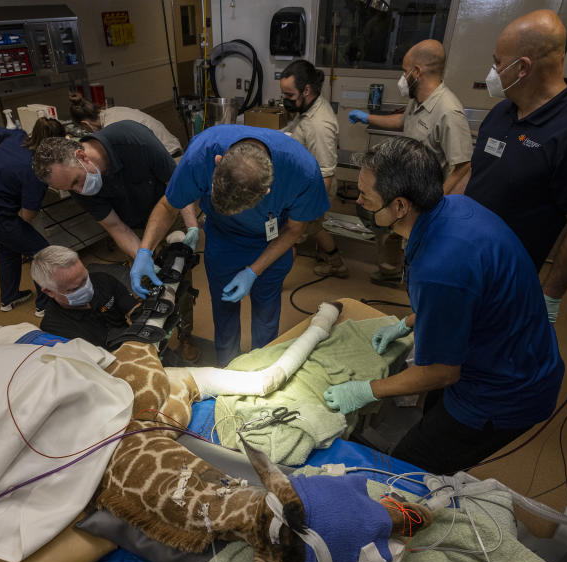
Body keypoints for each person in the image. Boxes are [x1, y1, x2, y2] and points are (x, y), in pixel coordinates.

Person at [322, 138, 564, 474]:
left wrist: (365, 390)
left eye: (366, 197)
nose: (359, 201)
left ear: (400, 206)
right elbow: (468, 298)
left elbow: (442, 372)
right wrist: (408, 322)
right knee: (432, 416)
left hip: (505, 391)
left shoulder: (440, 267)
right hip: (516, 351)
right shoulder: (455, 208)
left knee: (408, 471)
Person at [457, 9, 567, 323]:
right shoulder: (502, 112)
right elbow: (476, 171)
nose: (493, 70)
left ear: (522, 68)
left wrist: (550, 296)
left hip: (506, 276)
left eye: (498, 62)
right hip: (462, 255)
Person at [131, 125, 329, 365]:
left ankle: (262, 368)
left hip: (272, 241)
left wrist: (253, 271)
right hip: (222, 238)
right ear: (217, 162)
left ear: (267, 190)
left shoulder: (302, 172)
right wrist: (144, 250)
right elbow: (168, 206)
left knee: (266, 312)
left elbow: (294, 229)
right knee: (224, 311)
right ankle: (227, 365)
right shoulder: (202, 153)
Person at [31, 124, 202, 362]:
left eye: (77, 181)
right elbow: (115, 227)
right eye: (71, 188)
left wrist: (192, 226)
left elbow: (179, 185)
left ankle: (186, 335)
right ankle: (155, 343)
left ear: (81, 156)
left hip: (171, 209)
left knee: (178, 278)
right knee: (152, 285)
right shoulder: (80, 187)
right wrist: (145, 257)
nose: (79, 190)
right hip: (133, 227)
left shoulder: (135, 142)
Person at [349, 40, 473, 287]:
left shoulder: (448, 111)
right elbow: (401, 123)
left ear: (417, 72)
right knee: (386, 227)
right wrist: (368, 118)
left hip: (425, 198)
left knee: (421, 256)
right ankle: (391, 271)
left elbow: (463, 167)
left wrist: (435, 202)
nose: (403, 77)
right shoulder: (418, 101)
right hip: (404, 191)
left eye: (405, 71)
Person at [0, 117, 65, 316]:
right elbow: (27, 216)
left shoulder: (17, 137)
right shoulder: (37, 169)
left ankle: (9, 298)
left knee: (9, 249)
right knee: (43, 253)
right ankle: (45, 306)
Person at [279, 59, 347, 278]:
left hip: (314, 189)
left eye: (289, 95)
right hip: (304, 183)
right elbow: (297, 129)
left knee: (289, 234)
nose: (285, 100)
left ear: (306, 90)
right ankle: (338, 264)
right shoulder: (310, 105)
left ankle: (274, 283)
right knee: (315, 228)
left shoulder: (320, 125)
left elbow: (325, 172)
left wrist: (310, 206)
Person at [30, 246, 140, 347]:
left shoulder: (103, 280)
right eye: (74, 289)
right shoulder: (54, 330)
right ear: (49, 291)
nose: (85, 288)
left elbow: (134, 309)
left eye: (85, 279)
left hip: (132, 340)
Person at [68, 93, 183, 157]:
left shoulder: (111, 128)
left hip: (170, 157)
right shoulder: (113, 111)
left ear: (85, 124)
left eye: (84, 128)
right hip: (174, 147)